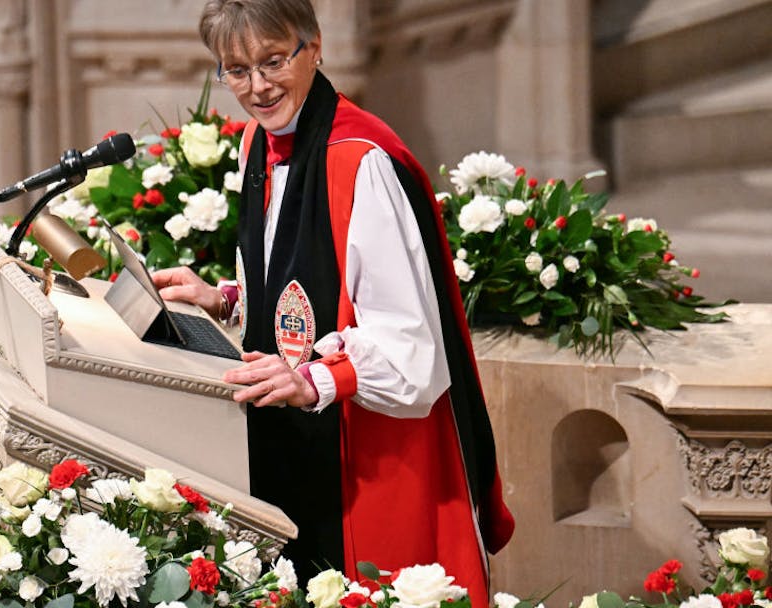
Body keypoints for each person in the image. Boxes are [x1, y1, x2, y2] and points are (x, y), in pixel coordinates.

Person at [151, 1, 515, 604]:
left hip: (372, 452)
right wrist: (225, 300)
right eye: (236, 70)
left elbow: (410, 346)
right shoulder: (257, 145)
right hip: (298, 436)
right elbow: (311, 291)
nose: (258, 87)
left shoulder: (360, 160)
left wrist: (314, 380)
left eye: (272, 61)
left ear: (314, 46)